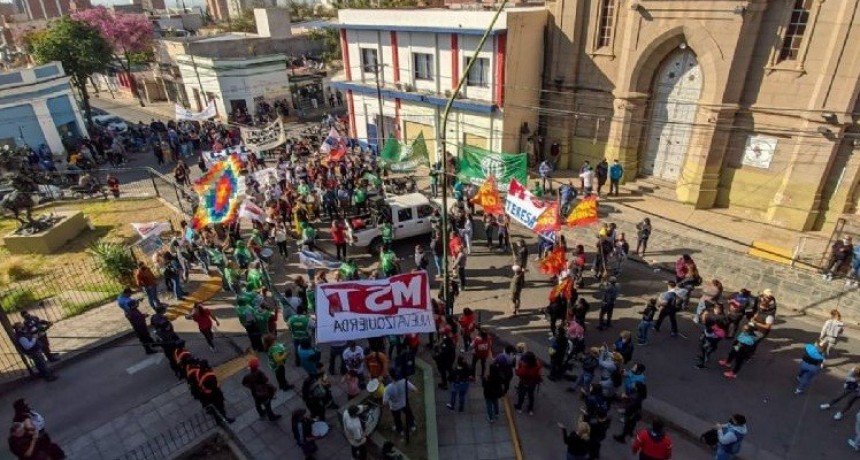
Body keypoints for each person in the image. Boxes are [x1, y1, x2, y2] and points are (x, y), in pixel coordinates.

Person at [241, 357, 282, 421]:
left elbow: (244, 383)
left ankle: (261, 413)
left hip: (255, 392)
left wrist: (251, 387)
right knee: (267, 405)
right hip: (263, 392)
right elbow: (266, 380)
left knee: (257, 403)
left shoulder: (247, 376)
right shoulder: (259, 373)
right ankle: (271, 417)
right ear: (257, 366)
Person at [383, 370, 418, 436]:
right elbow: (415, 389)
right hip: (404, 403)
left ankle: (400, 430)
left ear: (390, 376)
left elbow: (384, 402)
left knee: (397, 419)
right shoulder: (404, 381)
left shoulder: (387, 388)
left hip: (394, 407)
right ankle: (412, 425)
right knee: (409, 414)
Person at [514, 351, 542, 415]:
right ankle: (530, 409)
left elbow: (517, 373)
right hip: (533, 384)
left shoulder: (525, 370)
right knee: (531, 395)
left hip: (524, 383)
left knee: (521, 395)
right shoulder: (537, 365)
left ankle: (519, 407)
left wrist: (517, 363)